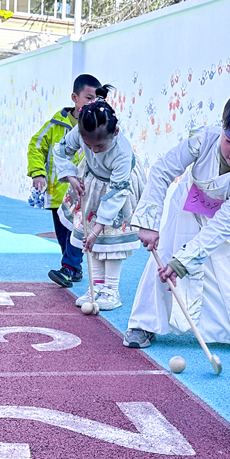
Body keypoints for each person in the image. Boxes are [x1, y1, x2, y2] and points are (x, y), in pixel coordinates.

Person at [122, 93, 230, 352]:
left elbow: (222, 226)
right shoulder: (202, 139)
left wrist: (185, 262)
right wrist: (149, 222)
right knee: (166, 251)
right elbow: (162, 170)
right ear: (223, 128)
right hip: (189, 204)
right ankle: (144, 323)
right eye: (229, 141)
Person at [54, 88, 143, 311]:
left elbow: (116, 194)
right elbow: (61, 151)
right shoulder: (81, 130)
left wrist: (97, 230)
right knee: (88, 237)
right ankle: (96, 287)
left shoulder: (122, 152)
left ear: (115, 132)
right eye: (88, 145)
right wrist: (71, 176)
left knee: (110, 239)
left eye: (99, 147)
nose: (93, 150)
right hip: (93, 181)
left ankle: (111, 290)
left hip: (118, 189)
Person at [27, 74, 103, 288]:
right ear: (74, 97)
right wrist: (37, 172)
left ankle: (68, 268)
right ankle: (74, 269)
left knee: (76, 232)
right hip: (58, 193)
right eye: (88, 98)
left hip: (83, 194)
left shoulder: (98, 125)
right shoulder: (54, 126)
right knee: (64, 237)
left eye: (96, 99)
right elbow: (36, 147)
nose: (92, 103)